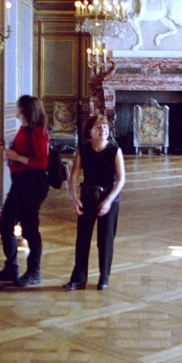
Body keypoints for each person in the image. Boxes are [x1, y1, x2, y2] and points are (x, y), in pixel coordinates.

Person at [63, 114, 126, 290]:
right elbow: (74, 175)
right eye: (98, 127)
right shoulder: (83, 150)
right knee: (82, 239)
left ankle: (103, 278)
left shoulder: (114, 150)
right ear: (90, 132)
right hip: (88, 196)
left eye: (105, 127)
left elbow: (121, 179)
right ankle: (78, 279)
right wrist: (74, 198)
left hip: (109, 197)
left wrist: (108, 201)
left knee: (105, 240)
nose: (102, 129)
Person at [0, 95, 50, 287]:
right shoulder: (24, 129)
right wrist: (11, 155)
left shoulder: (38, 131)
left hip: (33, 184)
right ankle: (11, 268)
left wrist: (16, 157)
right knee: (5, 224)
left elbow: (42, 163)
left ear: (25, 110)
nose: (16, 111)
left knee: (30, 229)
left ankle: (34, 272)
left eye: (18, 108)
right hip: (19, 183)